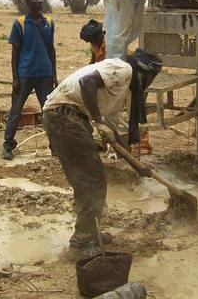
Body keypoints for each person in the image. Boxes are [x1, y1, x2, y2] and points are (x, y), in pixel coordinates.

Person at [42, 49, 162, 259]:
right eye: (152, 77)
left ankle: (90, 232)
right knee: (92, 181)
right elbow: (87, 83)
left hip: (68, 118)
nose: (150, 83)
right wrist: (97, 121)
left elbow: (113, 134)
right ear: (145, 73)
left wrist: (135, 164)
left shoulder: (121, 93)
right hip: (64, 115)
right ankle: (82, 243)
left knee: (87, 181)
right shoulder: (123, 69)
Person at [2, 0, 57, 160]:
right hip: (24, 74)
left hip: (45, 74)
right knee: (16, 111)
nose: (39, 1)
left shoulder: (49, 22)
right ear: (27, 2)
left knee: (48, 112)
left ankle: (54, 146)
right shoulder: (20, 23)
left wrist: (54, 74)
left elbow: (51, 49)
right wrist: (15, 78)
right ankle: (8, 145)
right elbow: (15, 53)